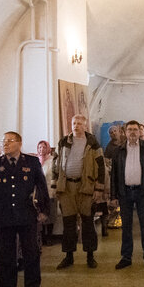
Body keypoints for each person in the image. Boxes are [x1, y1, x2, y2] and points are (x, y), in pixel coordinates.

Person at [0, 131, 50, 287]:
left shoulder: (32, 162)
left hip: (27, 214)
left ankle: (33, 286)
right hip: (4, 216)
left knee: (31, 252)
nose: (5, 144)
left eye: (10, 141)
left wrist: (44, 211)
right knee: (5, 254)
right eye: (3, 141)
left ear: (19, 144)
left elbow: (42, 187)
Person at [48, 114, 105, 269]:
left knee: (87, 222)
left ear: (84, 126)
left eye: (79, 123)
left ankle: (90, 256)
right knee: (68, 223)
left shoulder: (93, 143)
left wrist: (99, 188)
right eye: (74, 123)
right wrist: (54, 186)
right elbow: (55, 164)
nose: (76, 126)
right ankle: (69, 256)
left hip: (85, 187)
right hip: (66, 188)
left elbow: (101, 166)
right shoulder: (63, 142)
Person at [110, 120, 144, 269]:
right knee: (126, 226)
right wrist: (114, 196)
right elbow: (114, 174)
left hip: (143, 192)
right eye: (129, 129)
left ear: (139, 132)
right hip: (125, 192)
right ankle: (126, 257)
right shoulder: (119, 150)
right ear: (125, 132)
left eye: (135, 130)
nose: (132, 132)